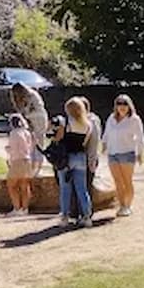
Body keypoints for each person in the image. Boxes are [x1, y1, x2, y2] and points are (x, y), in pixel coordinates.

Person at [103, 94, 144, 217]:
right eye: (119, 104)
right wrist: (104, 146)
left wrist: (140, 153)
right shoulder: (111, 118)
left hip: (127, 153)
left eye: (124, 104)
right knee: (117, 181)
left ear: (129, 106)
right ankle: (122, 205)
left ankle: (128, 205)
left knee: (127, 181)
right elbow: (106, 133)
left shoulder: (134, 119)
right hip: (112, 153)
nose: (122, 107)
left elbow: (140, 138)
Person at [57, 98, 93, 228]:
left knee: (65, 188)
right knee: (82, 188)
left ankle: (65, 216)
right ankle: (87, 216)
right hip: (81, 156)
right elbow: (84, 142)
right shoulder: (88, 124)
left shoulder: (66, 122)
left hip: (67, 157)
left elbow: (59, 138)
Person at [9, 83, 48, 175]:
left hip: (38, 119)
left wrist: (26, 117)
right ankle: (31, 167)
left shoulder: (32, 95)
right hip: (29, 120)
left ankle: (37, 169)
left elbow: (34, 109)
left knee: (38, 143)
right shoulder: (20, 98)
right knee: (29, 144)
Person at [4, 113, 34, 216]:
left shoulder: (14, 133)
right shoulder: (27, 133)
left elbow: (13, 148)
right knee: (24, 185)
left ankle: (17, 208)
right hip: (27, 160)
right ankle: (25, 209)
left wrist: (8, 151)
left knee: (11, 185)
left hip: (17, 160)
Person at [75, 96, 102, 188]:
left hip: (87, 158)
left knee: (85, 188)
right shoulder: (92, 120)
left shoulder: (91, 122)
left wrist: (91, 161)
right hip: (87, 158)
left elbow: (93, 143)